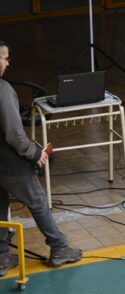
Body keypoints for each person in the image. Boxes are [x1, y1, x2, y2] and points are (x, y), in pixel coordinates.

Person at [0, 40, 83, 275]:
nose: (8, 62)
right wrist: (34, 152)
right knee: (37, 201)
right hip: (9, 162)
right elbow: (14, 134)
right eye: (5, 57)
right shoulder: (3, 89)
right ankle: (59, 248)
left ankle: (1, 258)